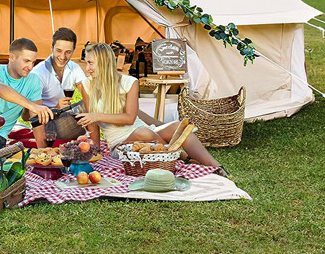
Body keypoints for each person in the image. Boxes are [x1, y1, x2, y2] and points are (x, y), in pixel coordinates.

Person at [75, 42, 231, 177]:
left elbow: (130, 117)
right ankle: (180, 156)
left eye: (91, 63)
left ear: (105, 62)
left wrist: (97, 115)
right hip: (120, 144)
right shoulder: (87, 85)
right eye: (87, 63)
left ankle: (216, 166)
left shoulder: (129, 82)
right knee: (145, 132)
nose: (87, 68)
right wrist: (93, 149)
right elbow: (92, 125)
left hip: (145, 131)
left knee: (178, 126)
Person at [0, 37, 52, 152]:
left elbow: (33, 118)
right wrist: (32, 106)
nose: (31, 67)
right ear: (12, 57)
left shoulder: (33, 80)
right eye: (26, 61)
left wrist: (43, 152)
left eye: (33, 62)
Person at [31, 27, 87, 143]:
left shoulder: (73, 67)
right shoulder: (38, 73)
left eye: (68, 52)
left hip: (67, 119)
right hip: (48, 125)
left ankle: (99, 145)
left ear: (73, 50)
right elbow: (32, 116)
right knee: (89, 107)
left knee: (94, 102)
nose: (63, 57)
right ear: (51, 48)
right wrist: (56, 107)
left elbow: (88, 94)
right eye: (59, 51)